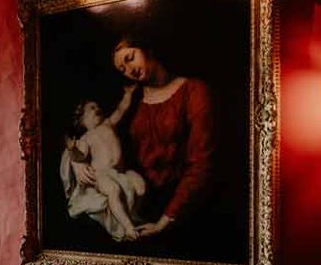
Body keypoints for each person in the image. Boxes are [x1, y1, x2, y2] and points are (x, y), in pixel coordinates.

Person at [70, 35, 214, 240]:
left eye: (130, 58)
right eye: (122, 69)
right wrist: (77, 162)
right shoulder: (131, 100)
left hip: (178, 207)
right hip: (133, 200)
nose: (129, 70)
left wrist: (164, 222)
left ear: (147, 49)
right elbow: (90, 132)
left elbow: (202, 163)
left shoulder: (193, 90)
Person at [61, 84, 146, 241]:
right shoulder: (86, 138)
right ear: (82, 119)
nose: (97, 108)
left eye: (98, 106)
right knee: (113, 190)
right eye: (92, 108)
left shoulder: (108, 124)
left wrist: (128, 94)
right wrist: (73, 150)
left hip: (121, 172)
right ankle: (128, 227)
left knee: (141, 187)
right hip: (101, 174)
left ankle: (132, 215)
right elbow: (80, 157)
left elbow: (121, 110)